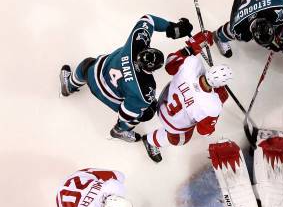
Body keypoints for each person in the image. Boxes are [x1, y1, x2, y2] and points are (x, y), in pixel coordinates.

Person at [59, 15, 193, 142]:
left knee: (87, 64)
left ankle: (69, 85)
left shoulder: (136, 43)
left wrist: (172, 27)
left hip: (93, 75)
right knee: (146, 111)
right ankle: (119, 131)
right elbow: (125, 113)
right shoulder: (146, 87)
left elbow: (149, 19)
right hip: (108, 96)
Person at [141, 32, 233, 163]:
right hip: (175, 125)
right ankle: (150, 141)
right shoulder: (213, 105)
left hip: (161, 103)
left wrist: (191, 46)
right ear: (219, 85)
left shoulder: (192, 64)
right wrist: (220, 99)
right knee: (180, 140)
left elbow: (169, 65)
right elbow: (204, 132)